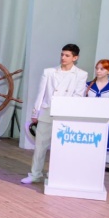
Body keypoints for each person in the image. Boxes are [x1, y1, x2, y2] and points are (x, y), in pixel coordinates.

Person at [21, 44, 88, 184]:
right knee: (40, 146)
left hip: (65, 115)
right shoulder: (49, 72)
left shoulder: (81, 74)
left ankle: (54, 176)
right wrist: (35, 112)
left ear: (75, 58)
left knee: (60, 147)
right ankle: (35, 174)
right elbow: (41, 93)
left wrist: (67, 110)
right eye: (62, 54)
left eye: (67, 55)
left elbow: (78, 96)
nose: (63, 57)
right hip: (47, 112)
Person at [85, 58, 109, 153]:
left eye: (102, 69)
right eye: (97, 68)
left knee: (101, 151)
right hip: (88, 122)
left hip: (105, 123)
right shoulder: (87, 85)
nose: (98, 71)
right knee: (86, 149)